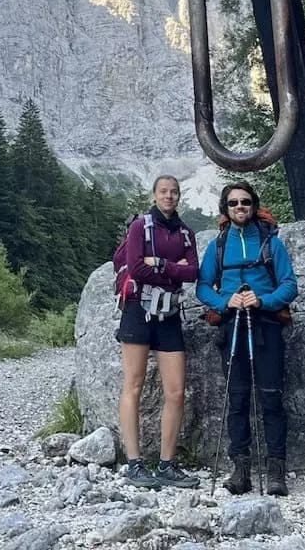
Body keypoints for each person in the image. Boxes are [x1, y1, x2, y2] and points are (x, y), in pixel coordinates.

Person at [196, 181, 298, 496]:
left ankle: (276, 469)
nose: (240, 207)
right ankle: (240, 469)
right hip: (232, 326)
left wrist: (262, 300)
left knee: (271, 398)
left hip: (265, 323)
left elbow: (289, 285)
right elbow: (202, 286)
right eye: (233, 203)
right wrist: (224, 302)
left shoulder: (271, 243)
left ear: (253, 206)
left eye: (245, 202)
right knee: (237, 399)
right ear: (225, 209)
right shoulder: (219, 245)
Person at [116, 174, 201, 488]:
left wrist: (161, 264)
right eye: (163, 191)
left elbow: (193, 272)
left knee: (176, 391)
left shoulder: (185, 233)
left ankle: (167, 464)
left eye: (174, 192)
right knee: (133, 385)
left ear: (179, 196)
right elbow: (136, 267)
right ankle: (134, 463)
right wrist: (173, 266)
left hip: (168, 312)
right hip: (138, 309)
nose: (169, 196)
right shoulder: (141, 226)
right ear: (154, 195)